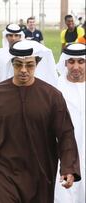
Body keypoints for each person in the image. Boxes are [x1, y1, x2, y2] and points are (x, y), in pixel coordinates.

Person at [0, 40, 81, 203]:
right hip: (1, 172)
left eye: (29, 65)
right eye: (18, 65)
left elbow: (66, 135)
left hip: (40, 173)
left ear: (37, 64)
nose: (23, 70)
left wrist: (68, 168)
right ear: (12, 64)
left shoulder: (52, 97)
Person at [54, 43, 85, 203]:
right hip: (64, 157)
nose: (75, 66)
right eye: (71, 61)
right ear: (65, 62)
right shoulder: (56, 89)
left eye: (81, 61)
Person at [0, 23, 24, 90]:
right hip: (3, 91)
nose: (13, 38)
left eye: (16, 35)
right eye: (10, 35)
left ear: (20, 37)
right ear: (6, 36)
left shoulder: (26, 53)